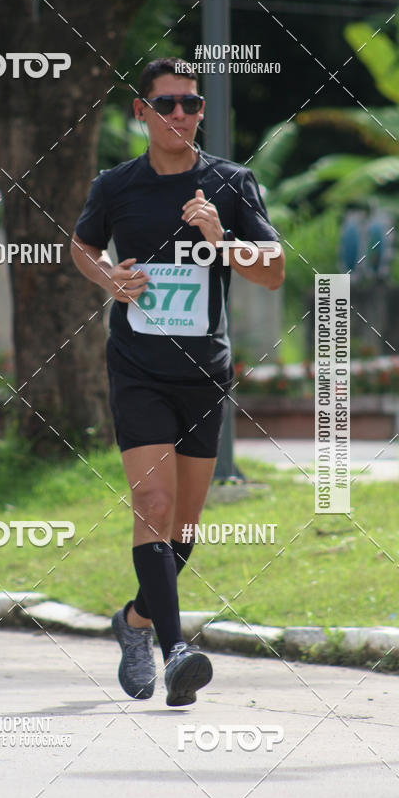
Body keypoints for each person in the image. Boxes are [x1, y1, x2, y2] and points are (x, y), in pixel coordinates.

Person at [71, 57, 284, 707]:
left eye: (191, 103)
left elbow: (272, 269)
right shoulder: (117, 185)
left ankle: (134, 623)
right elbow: (80, 246)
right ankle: (178, 652)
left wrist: (221, 241)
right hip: (138, 368)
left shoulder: (231, 182)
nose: (181, 115)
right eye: (167, 103)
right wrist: (110, 279)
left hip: (203, 374)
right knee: (154, 510)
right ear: (141, 111)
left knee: (184, 526)